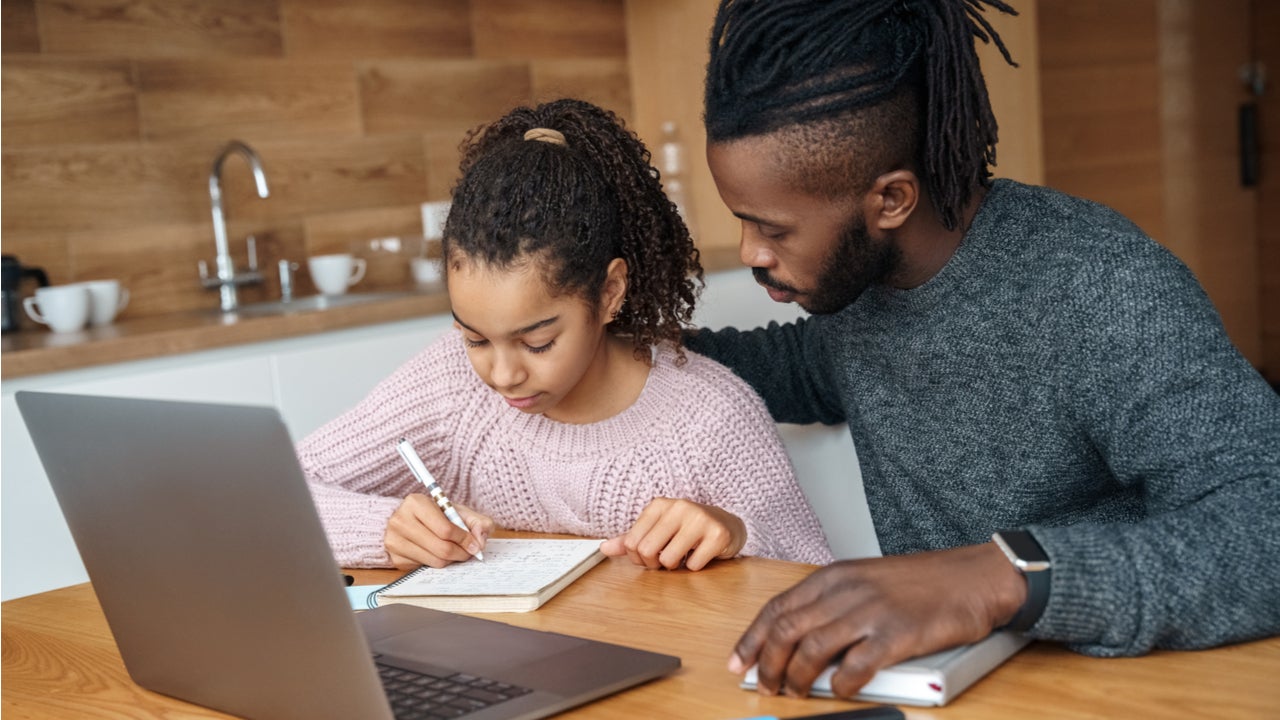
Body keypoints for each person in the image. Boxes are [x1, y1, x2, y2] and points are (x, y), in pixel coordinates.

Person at [686, 0, 1280, 700]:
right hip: (970, 690)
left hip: (1147, 690)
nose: (752, 252)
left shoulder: (1103, 286)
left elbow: (1264, 526)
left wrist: (1003, 575)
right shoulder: (862, 300)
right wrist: (598, 347)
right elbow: (792, 369)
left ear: (892, 200)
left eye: (773, 229)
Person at [296, 98, 834, 574]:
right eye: (475, 339)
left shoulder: (711, 420)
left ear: (609, 293)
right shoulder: (449, 388)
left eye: (537, 343)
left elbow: (815, 585)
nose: (502, 377)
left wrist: (736, 536)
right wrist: (384, 528)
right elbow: (273, 494)